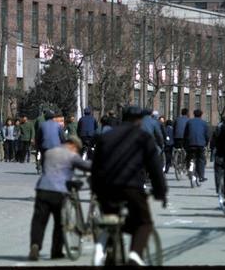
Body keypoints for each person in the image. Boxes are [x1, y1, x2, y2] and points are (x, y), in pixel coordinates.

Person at [91, 106, 167, 266]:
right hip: (132, 187)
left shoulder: (107, 136)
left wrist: (96, 191)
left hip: (106, 190)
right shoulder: (143, 137)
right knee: (143, 222)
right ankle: (135, 256)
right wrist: (161, 191)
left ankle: (110, 251)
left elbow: (95, 167)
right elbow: (155, 168)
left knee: (111, 218)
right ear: (139, 120)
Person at [28, 136, 91, 261]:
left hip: (42, 189)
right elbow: (86, 166)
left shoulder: (49, 152)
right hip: (59, 192)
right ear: (73, 146)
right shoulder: (72, 155)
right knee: (60, 223)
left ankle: (35, 245)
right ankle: (56, 251)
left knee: (39, 221)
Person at [183, 109, 210, 183]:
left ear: (194, 114)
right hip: (200, 144)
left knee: (189, 156)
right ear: (201, 115)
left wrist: (185, 144)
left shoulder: (189, 122)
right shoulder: (204, 123)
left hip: (190, 144)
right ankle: (201, 176)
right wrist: (206, 143)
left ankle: (188, 168)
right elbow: (207, 135)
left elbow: (185, 134)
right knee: (200, 159)